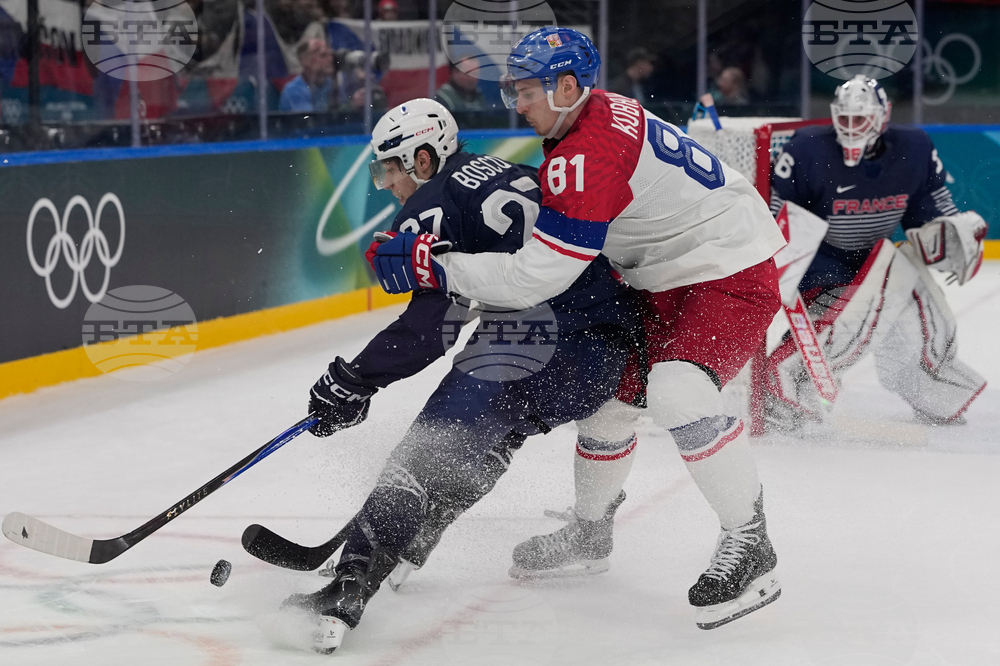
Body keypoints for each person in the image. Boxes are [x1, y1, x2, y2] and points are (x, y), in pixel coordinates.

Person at [371, 27, 786, 630]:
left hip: (726, 270)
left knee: (678, 392)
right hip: (664, 271)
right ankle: (591, 532)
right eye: (514, 90)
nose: (517, 104)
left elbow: (533, 279)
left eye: (527, 91)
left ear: (567, 87)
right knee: (609, 403)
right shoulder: (588, 117)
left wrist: (438, 266)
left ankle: (751, 543)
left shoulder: (586, 154)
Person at [281, 99, 644, 652]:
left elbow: (433, 328)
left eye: (391, 169)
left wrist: (354, 380)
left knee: (422, 454)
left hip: (530, 342)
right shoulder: (516, 170)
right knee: (500, 433)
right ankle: (419, 535)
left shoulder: (429, 205)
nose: (387, 184)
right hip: (607, 349)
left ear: (424, 159)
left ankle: (347, 588)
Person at [763, 75, 987, 430]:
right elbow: (777, 215)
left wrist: (951, 234)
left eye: (861, 118)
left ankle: (934, 393)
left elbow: (929, 208)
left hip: (874, 258)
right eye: (845, 118)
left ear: (884, 115)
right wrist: (781, 269)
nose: (852, 127)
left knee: (926, 313)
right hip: (821, 263)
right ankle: (783, 391)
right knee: (853, 321)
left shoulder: (913, 147)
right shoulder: (807, 150)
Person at [279, 38, 336, 112]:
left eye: (331, 55)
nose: (330, 59)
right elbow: (309, 118)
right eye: (323, 55)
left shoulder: (330, 84)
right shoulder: (294, 90)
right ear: (307, 61)